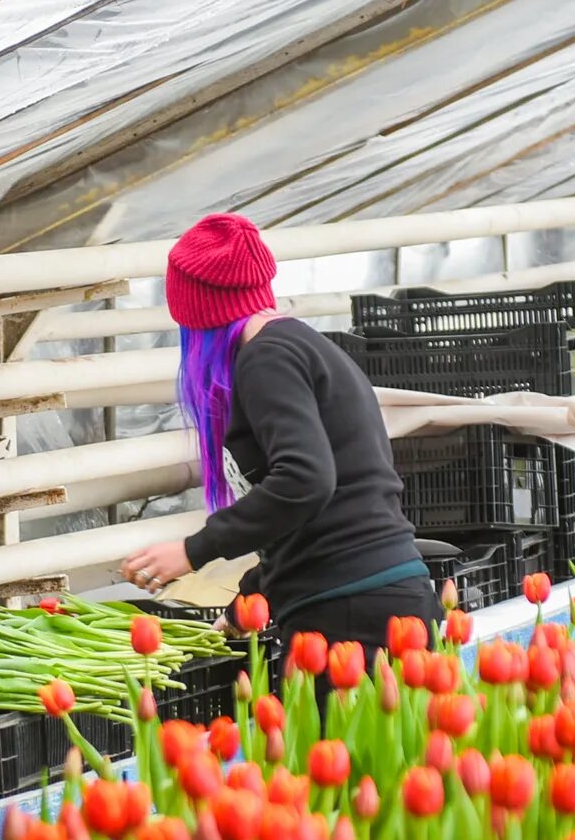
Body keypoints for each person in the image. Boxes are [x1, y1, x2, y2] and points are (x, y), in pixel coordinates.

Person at [120, 214, 442, 654]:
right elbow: (323, 504)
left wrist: (194, 550)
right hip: (374, 594)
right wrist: (252, 595)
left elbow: (305, 480)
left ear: (198, 313)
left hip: (349, 609)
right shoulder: (297, 346)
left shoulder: (266, 360)